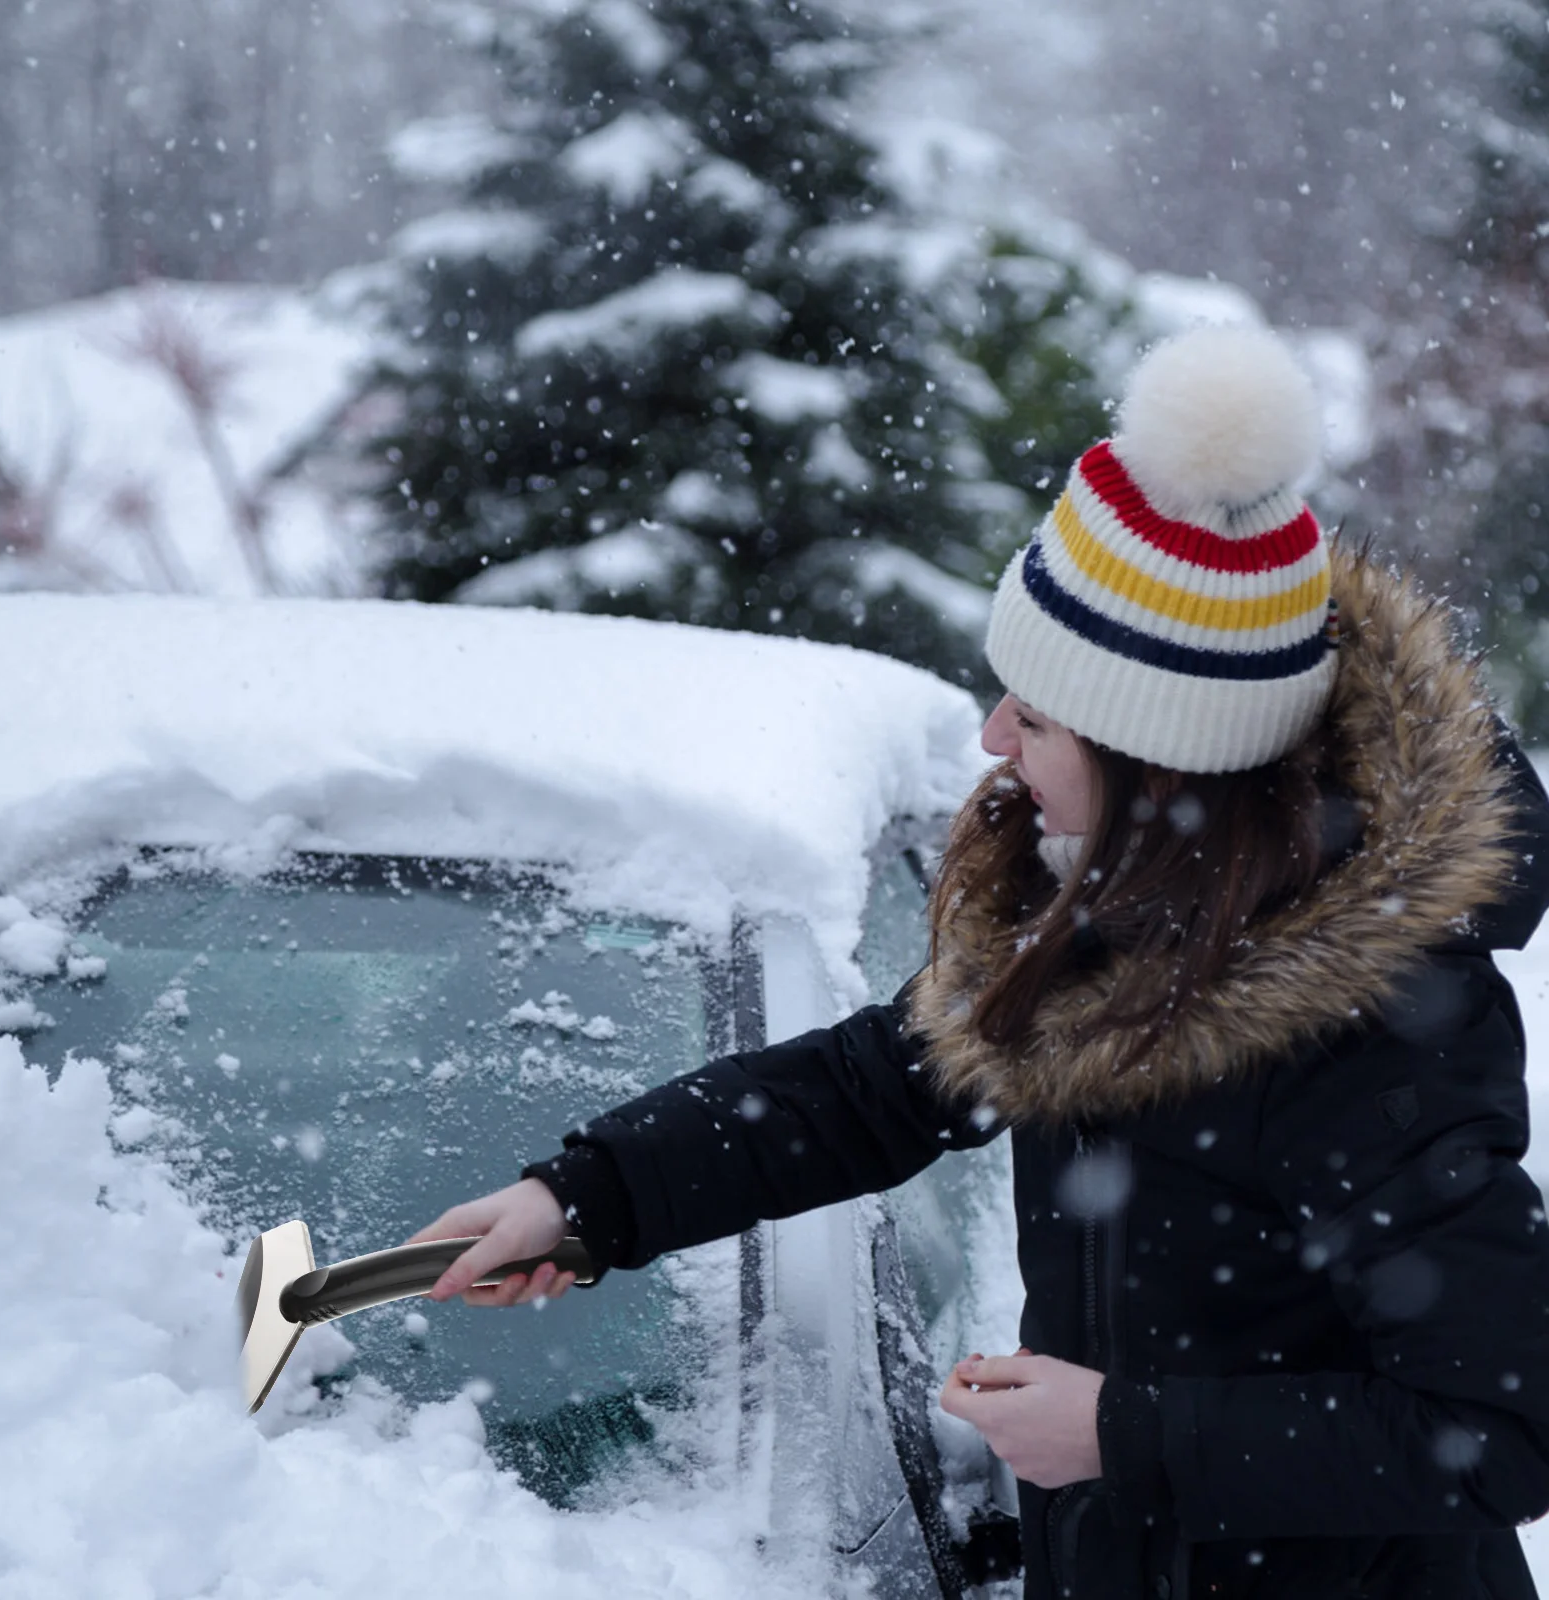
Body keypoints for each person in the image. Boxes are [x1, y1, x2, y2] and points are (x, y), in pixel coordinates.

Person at [410, 324, 1549, 1599]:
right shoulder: (1101, 917)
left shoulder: (1378, 1033)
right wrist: (589, 1198)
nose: (996, 734)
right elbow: (864, 1091)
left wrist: (1124, 1433)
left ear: (1158, 759)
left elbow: (1502, 1433)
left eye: (1040, 715)